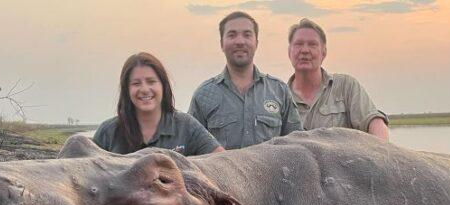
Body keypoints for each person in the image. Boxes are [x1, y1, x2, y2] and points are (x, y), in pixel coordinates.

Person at [189, 11, 302, 149]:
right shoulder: (204, 96)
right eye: (232, 35)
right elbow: (190, 152)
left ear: (256, 43)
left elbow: (298, 146)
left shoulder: (279, 91)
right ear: (221, 44)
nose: (240, 41)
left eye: (247, 35)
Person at [93, 52, 224, 156]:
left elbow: (221, 161)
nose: (144, 89)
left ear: (163, 85)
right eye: (136, 83)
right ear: (127, 89)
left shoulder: (186, 126)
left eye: (151, 81)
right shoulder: (107, 132)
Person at [287, 18, 390, 142]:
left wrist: (382, 153)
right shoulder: (280, 97)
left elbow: (375, 123)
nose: (304, 50)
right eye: (298, 44)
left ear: (323, 52)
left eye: (312, 44)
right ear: (289, 52)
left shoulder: (345, 87)